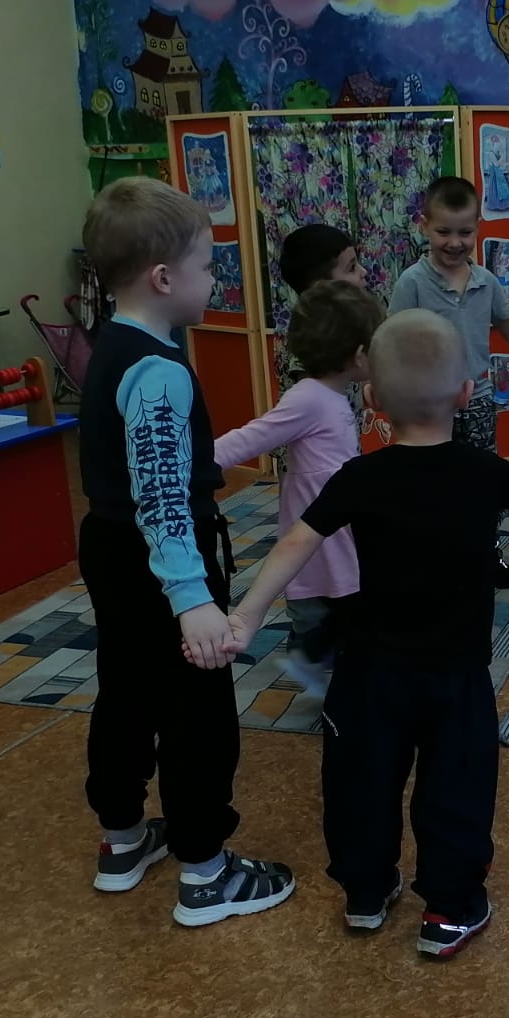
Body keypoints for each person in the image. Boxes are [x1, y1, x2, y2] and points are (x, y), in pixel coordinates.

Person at [188, 310, 509, 958]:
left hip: (368, 670)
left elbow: (297, 541)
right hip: (455, 673)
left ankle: (365, 891)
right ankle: (450, 908)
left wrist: (246, 614)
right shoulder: (482, 470)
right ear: (465, 393)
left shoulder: (359, 476)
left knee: (360, 783)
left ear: (373, 400)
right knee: (456, 788)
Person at [78, 177, 295, 926]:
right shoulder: (160, 370)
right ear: (164, 278)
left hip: (111, 547)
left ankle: (122, 840)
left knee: (126, 691)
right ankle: (206, 873)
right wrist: (192, 597)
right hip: (162, 563)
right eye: (207, 266)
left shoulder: (112, 346)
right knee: (196, 712)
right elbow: (164, 495)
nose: (214, 280)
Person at [213, 280, 382, 696]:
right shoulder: (308, 398)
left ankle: (321, 661)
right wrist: (196, 463)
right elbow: (252, 437)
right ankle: (318, 663)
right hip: (316, 532)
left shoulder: (334, 393)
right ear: (359, 355)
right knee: (332, 602)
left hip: (336, 526)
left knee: (347, 602)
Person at [389, 177, 509, 589]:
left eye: (465, 232)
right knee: (430, 486)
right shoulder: (412, 282)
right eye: (443, 231)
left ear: (478, 227)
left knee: (482, 482)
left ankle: (486, 556)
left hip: (478, 400)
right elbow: (392, 340)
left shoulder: (486, 281)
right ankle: (432, 560)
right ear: (424, 225)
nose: (454, 242)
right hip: (428, 407)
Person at [260, 223, 370, 470]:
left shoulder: (342, 327)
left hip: (340, 452)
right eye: (352, 267)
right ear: (320, 287)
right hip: (311, 462)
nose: (363, 272)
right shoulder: (309, 337)